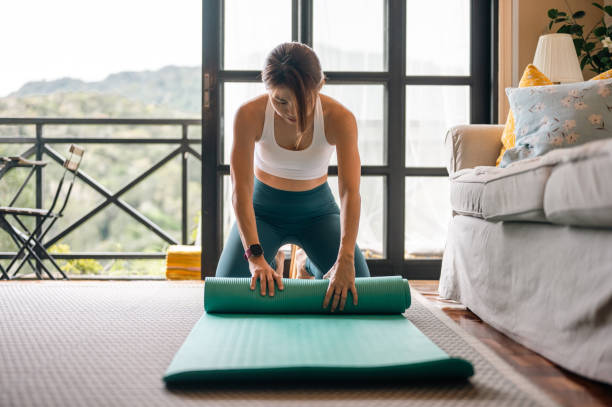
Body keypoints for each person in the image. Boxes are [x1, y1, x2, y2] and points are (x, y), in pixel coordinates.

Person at [215, 42, 370, 312]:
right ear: (267, 89)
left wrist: (345, 258)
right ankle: (272, 255)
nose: (291, 111)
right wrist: (255, 257)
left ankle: (306, 263)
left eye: (302, 101)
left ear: (319, 86)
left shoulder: (340, 118)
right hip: (262, 211)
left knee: (360, 293)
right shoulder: (249, 115)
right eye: (280, 100)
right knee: (226, 292)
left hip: (318, 213)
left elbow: (349, 192)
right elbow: (240, 190)